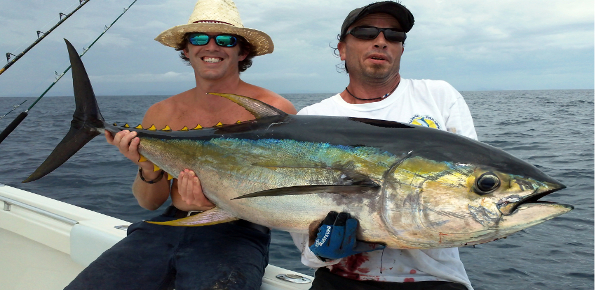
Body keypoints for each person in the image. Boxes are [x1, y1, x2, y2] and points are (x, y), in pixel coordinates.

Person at [64, 0, 296, 289]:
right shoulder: (162, 113)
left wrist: (218, 203)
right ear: (186, 49)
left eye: (225, 39)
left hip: (236, 232)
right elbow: (149, 203)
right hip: (167, 226)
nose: (211, 47)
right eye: (199, 38)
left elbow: (285, 194)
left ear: (242, 51)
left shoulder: (274, 111)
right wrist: (147, 166)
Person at [289, 1, 476, 290]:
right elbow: (294, 212)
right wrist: (319, 251)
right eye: (365, 33)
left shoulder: (439, 96)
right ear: (341, 49)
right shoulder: (312, 119)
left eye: (394, 36)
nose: (381, 41)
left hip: (434, 279)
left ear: (401, 48)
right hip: (339, 277)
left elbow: (468, 189)